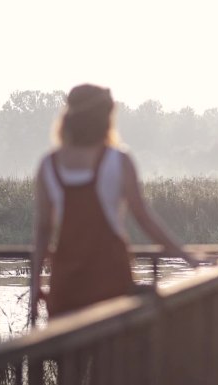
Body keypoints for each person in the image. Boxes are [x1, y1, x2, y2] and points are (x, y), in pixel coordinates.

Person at [30, 84, 198, 319]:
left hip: (67, 284)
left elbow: (43, 230)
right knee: (113, 353)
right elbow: (144, 218)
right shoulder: (118, 161)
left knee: (68, 352)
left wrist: (35, 283)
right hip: (110, 283)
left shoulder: (49, 165)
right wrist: (187, 257)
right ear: (105, 118)